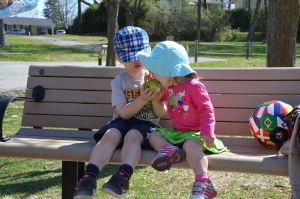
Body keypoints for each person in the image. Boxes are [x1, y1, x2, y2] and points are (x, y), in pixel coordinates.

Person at [73, 26, 165, 199]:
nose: (137, 60)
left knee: (133, 135)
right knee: (110, 134)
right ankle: (89, 177)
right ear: (119, 58)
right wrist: (142, 99)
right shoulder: (119, 81)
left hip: (146, 126)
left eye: (141, 55)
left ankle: (122, 179)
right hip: (123, 121)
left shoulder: (156, 79)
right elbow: (122, 114)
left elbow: (161, 113)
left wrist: (155, 99)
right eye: (131, 57)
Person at [138, 41, 227, 199]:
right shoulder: (169, 89)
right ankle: (169, 150)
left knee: (190, 145)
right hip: (178, 133)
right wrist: (155, 99)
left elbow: (206, 109)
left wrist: (207, 131)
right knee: (152, 134)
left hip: (197, 134)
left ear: (170, 72)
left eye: (155, 72)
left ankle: (202, 183)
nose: (152, 75)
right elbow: (161, 111)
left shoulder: (194, 86)